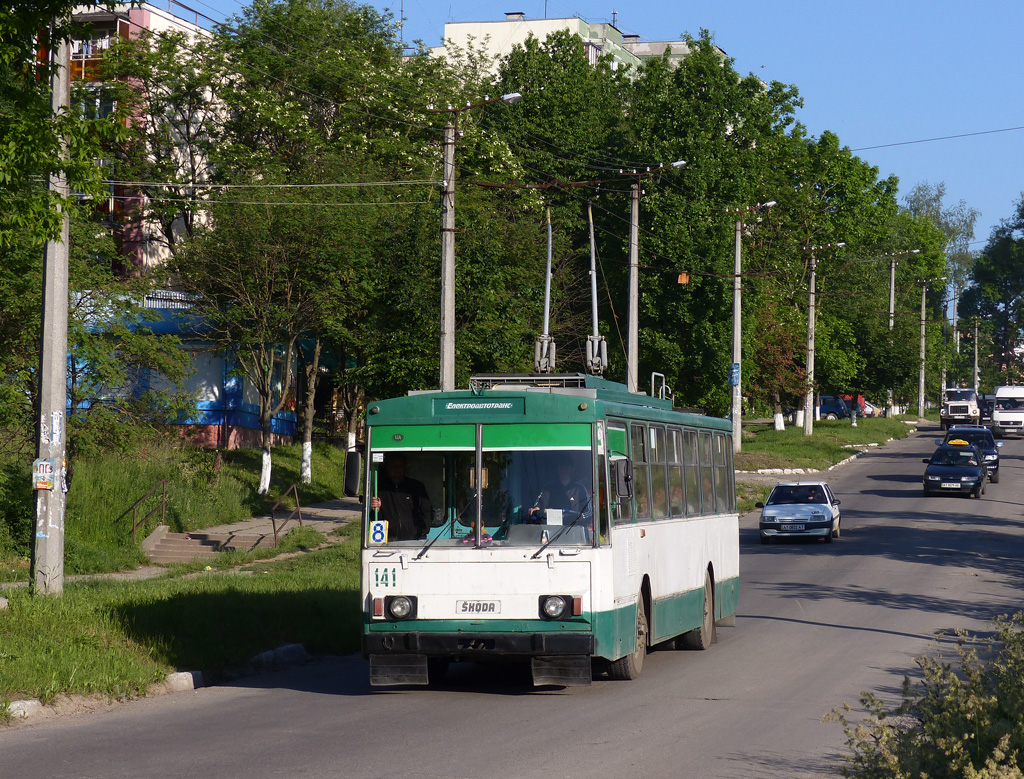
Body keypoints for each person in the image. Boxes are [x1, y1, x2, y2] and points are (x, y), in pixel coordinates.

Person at [369, 452, 434, 541]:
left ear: (405, 467)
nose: (397, 468)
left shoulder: (417, 487)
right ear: (387, 467)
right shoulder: (379, 489)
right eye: (393, 465)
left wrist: (423, 530)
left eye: (400, 465)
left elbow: (428, 511)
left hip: (416, 540)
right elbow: (374, 519)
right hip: (389, 541)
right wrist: (376, 509)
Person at [529, 456, 592, 526]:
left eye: (567, 468)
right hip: (551, 530)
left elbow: (590, 512)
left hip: (575, 530)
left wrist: (581, 516)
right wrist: (536, 510)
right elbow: (538, 507)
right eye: (561, 467)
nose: (564, 470)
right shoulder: (548, 488)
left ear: (571, 469)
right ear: (558, 469)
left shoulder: (580, 489)